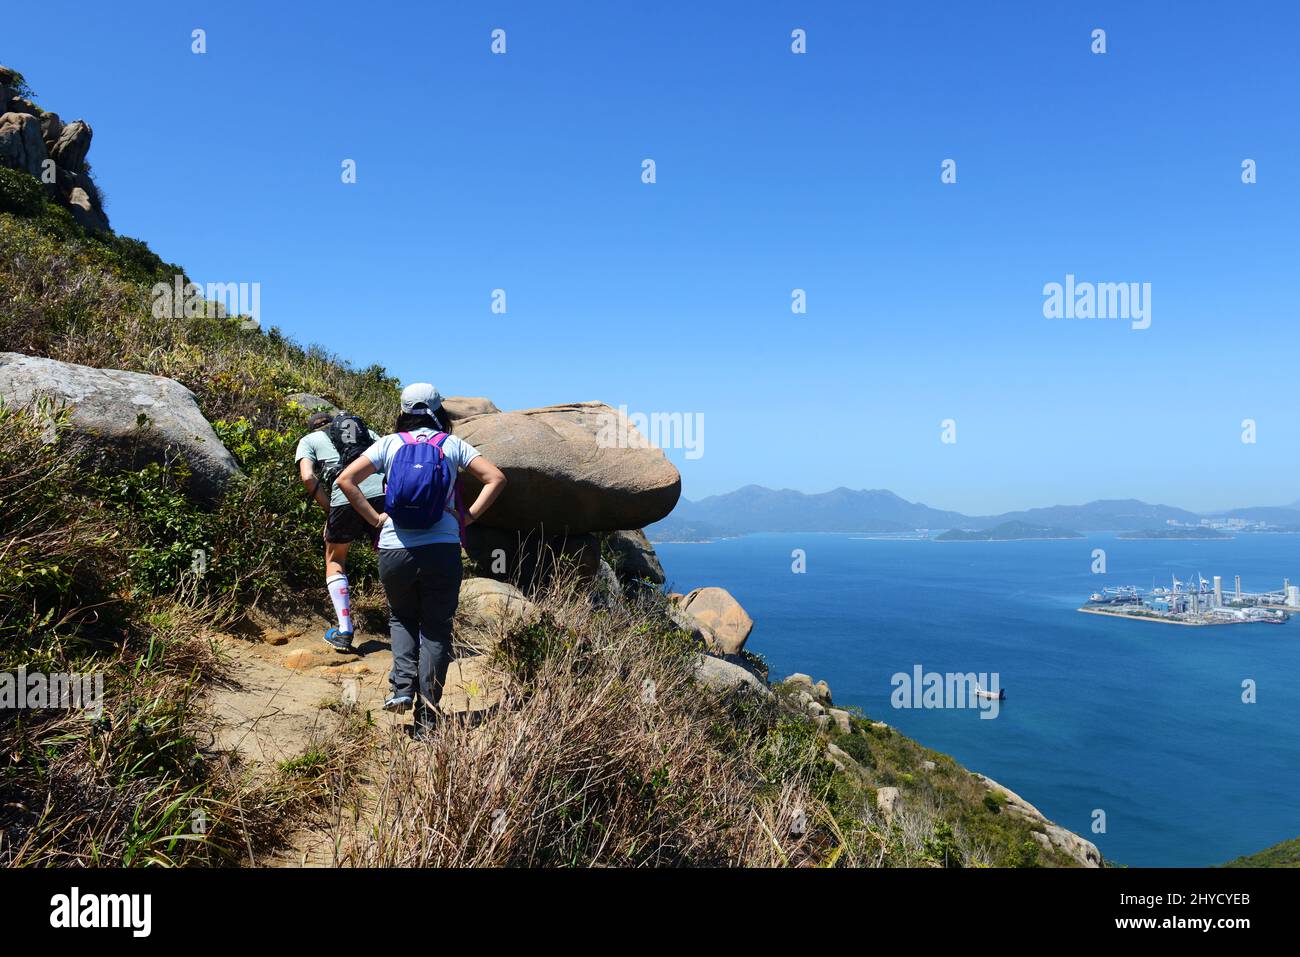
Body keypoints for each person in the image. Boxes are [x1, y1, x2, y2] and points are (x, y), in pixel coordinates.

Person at [336, 383, 507, 734]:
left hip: (394, 547)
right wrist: (468, 517)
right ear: (437, 410)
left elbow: (345, 480)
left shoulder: (389, 443)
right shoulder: (451, 444)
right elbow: (496, 478)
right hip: (442, 548)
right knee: (436, 627)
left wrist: (375, 518)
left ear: (403, 410)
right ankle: (427, 713)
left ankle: (400, 689)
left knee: (401, 618)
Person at [294, 408, 385, 651]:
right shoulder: (363, 431)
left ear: (313, 427)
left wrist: (328, 507)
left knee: (335, 559)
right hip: (382, 494)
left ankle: (344, 630)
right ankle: (413, 628)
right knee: (391, 555)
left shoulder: (309, 440)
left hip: (344, 497)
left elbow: (307, 476)